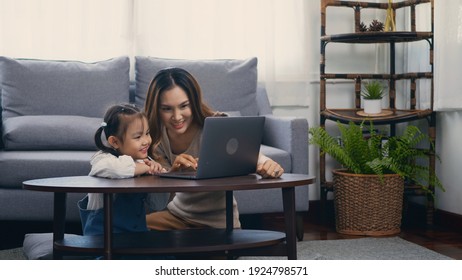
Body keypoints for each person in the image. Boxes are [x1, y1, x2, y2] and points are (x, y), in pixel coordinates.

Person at [144, 67, 284, 230]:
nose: (177, 117)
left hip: (219, 223)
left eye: (184, 106)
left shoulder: (217, 124)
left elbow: (253, 155)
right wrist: (174, 176)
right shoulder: (153, 137)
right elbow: (158, 201)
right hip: (177, 216)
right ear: (157, 109)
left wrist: (268, 164)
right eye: (167, 109)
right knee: (124, 231)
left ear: (194, 102)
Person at [78, 103, 168, 236]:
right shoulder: (103, 159)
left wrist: (159, 179)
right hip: (102, 238)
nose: (146, 141)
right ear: (115, 142)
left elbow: (157, 205)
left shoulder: (143, 161)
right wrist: (143, 168)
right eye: (138, 137)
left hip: (136, 236)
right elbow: (115, 169)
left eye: (147, 133)